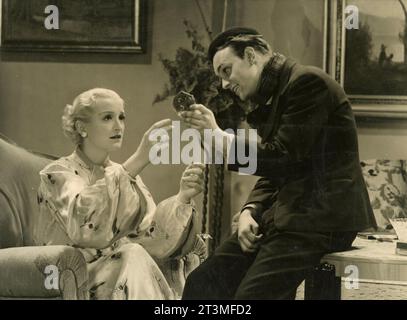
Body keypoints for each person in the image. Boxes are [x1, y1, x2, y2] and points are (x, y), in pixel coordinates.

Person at [180, 27, 377, 299]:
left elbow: (282, 158)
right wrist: (250, 210)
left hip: (321, 220)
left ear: (250, 56)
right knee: (202, 283)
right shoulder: (277, 93)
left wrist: (218, 136)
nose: (224, 84)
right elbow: (277, 170)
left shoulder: (308, 83)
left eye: (226, 71)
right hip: (288, 217)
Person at [35, 88, 205, 300]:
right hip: (71, 279)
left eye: (122, 117)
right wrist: (138, 160)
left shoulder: (122, 174)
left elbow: (148, 237)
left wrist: (183, 197)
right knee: (132, 255)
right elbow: (84, 226)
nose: (119, 126)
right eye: (107, 117)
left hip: (123, 274)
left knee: (136, 255)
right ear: (81, 127)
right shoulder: (58, 174)